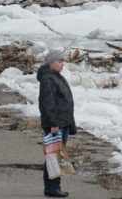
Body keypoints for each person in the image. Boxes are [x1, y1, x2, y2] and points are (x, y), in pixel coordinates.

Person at [37, 49, 76, 198]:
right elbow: (48, 104)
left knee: (57, 155)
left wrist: (70, 123)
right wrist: (53, 123)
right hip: (56, 124)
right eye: (59, 61)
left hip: (62, 122)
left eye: (63, 61)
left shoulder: (56, 77)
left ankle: (54, 186)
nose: (62, 64)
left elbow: (65, 102)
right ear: (51, 63)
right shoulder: (48, 79)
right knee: (54, 156)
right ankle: (52, 187)